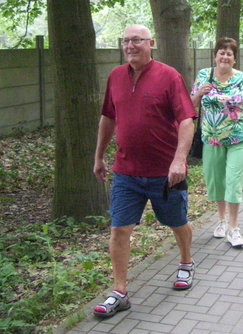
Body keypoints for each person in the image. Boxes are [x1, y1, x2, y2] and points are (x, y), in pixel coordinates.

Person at [92, 24, 198, 318]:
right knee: (119, 229)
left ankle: (187, 262)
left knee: (177, 221)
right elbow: (108, 118)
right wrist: (99, 156)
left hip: (166, 174)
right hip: (126, 171)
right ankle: (120, 291)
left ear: (151, 43)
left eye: (136, 40)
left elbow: (187, 120)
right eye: (125, 41)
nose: (130, 46)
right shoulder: (115, 77)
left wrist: (179, 159)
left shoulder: (169, 76)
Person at [191, 38, 243, 248]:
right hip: (212, 138)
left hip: (239, 137)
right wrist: (199, 93)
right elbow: (190, 106)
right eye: (221, 53)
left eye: (229, 54)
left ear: (234, 59)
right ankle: (221, 221)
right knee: (216, 181)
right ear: (215, 55)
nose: (225, 57)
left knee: (233, 181)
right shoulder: (204, 76)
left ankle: (234, 229)